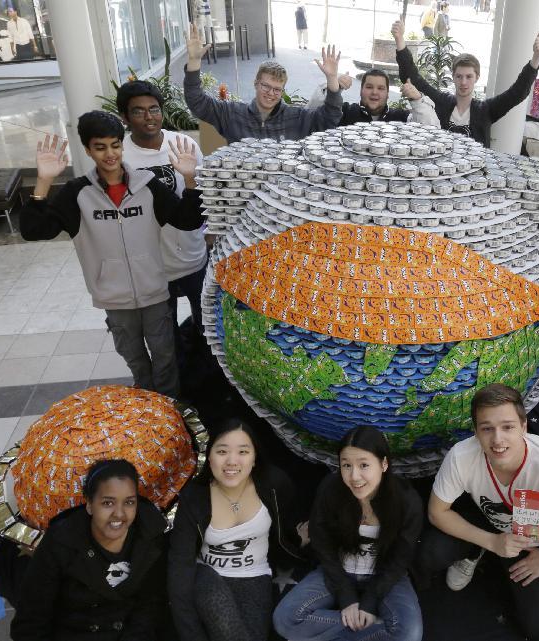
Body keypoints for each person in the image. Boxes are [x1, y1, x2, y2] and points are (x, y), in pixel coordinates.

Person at [18, 112, 204, 398]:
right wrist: (43, 181)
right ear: (88, 150)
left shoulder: (147, 185)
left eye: (115, 145)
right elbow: (34, 230)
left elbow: (188, 220)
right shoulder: (77, 194)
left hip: (155, 292)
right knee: (138, 364)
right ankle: (146, 413)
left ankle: (170, 414)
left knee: (166, 361)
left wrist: (189, 178)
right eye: (100, 147)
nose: (110, 154)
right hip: (114, 299)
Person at [415, 384, 539, 641]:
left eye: (508, 427)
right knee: (430, 553)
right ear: (476, 431)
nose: (498, 440)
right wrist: (491, 541)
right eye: (487, 428)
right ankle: (475, 551)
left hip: (527, 535)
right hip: (482, 517)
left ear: (523, 427)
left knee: (537, 627)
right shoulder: (461, 456)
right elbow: (437, 512)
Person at [273, 427, 423, 641]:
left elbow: (401, 558)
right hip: (337, 572)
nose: (354, 476)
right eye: (346, 465)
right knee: (285, 619)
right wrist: (346, 596)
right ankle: (375, 631)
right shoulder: (330, 489)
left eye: (364, 465)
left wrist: (369, 602)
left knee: (409, 634)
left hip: (385, 576)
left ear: (384, 464)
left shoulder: (407, 500)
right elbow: (322, 544)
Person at [168, 418, 306, 641]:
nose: (232, 461)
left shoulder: (274, 484)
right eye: (222, 451)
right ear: (209, 457)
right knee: (226, 625)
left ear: (254, 458)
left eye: (243, 452)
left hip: (255, 577)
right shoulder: (194, 496)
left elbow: (286, 527)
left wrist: (297, 541)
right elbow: (179, 566)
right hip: (207, 576)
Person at [11, 460, 169, 641]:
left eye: (129, 502)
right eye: (108, 503)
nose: (119, 514)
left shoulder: (150, 536)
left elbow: (151, 606)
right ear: (89, 504)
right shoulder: (61, 541)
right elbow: (32, 619)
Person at [116, 80, 208, 361]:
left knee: (208, 329)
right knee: (166, 340)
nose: (149, 117)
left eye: (154, 109)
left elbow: (205, 194)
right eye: (138, 111)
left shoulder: (184, 144)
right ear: (125, 117)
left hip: (193, 256)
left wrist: (210, 234)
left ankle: (209, 375)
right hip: (151, 268)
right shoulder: (119, 155)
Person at [392, 19, 539, 147]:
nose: (463, 82)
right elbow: (412, 79)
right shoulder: (441, 102)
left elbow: (517, 93)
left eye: (469, 77)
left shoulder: (486, 110)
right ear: (453, 77)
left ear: (477, 77)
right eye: (459, 76)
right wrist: (399, 40)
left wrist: (536, 58)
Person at [184, 24, 343, 143]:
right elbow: (197, 102)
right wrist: (194, 61)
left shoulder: (297, 117)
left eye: (277, 89)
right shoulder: (232, 114)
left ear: (282, 92)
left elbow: (330, 118)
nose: (271, 93)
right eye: (266, 86)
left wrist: (332, 78)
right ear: (256, 84)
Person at [307, 70, 437, 126]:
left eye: (381, 88)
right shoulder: (343, 112)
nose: (374, 92)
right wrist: (333, 88)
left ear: (387, 94)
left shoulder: (401, 118)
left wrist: (418, 100)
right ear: (361, 90)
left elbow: (430, 130)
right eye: (369, 87)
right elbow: (310, 115)